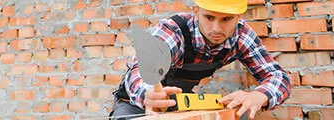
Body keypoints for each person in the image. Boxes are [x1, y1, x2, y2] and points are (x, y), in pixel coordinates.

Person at [110, 0, 291, 119]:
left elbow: (278, 76)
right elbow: (141, 68)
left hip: (180, 104)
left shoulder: (242, 36)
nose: (216, 28)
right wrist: (149, 94)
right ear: (196, 11)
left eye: (226, 19)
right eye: (209, 17)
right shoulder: (174, 30)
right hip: (136, 104)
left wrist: (260, 95)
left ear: (239, 17)